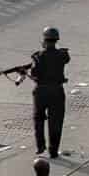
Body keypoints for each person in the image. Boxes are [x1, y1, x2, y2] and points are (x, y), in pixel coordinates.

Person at [25, 27, 70, 159]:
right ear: (56, 40)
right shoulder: (63, 55)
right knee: (56, 121)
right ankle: (53, 150)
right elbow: (65, 59)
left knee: (38, 119)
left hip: (41, 92)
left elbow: (34, 73)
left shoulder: (38, 56)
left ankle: (40, 146)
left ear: (44, 40)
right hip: (57, 91)